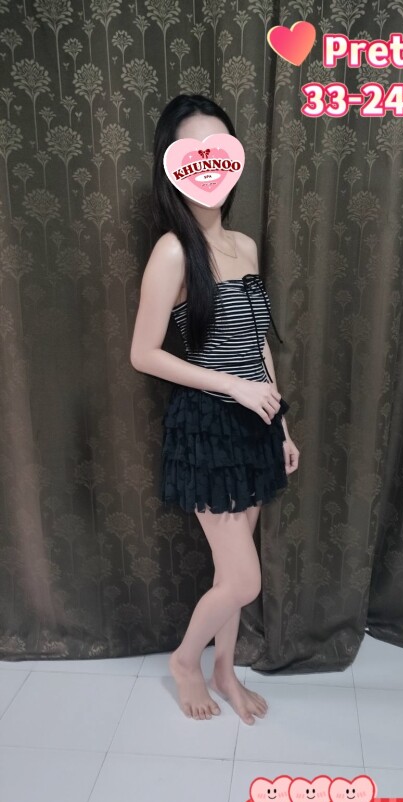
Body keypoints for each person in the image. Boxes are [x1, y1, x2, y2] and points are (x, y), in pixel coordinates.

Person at [130, 94, 300, 725]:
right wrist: (233, 388)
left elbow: (257, 342)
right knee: (244, 581)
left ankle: (225, 670)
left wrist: (281, 425)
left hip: (255, 424)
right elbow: (143, 353)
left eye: (218, 149)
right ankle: (186, 661)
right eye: (192, 151)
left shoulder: (245, 245)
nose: (207, 162)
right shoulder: (174, 251)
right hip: (208, 429)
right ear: (172, 164)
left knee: (232, 574)